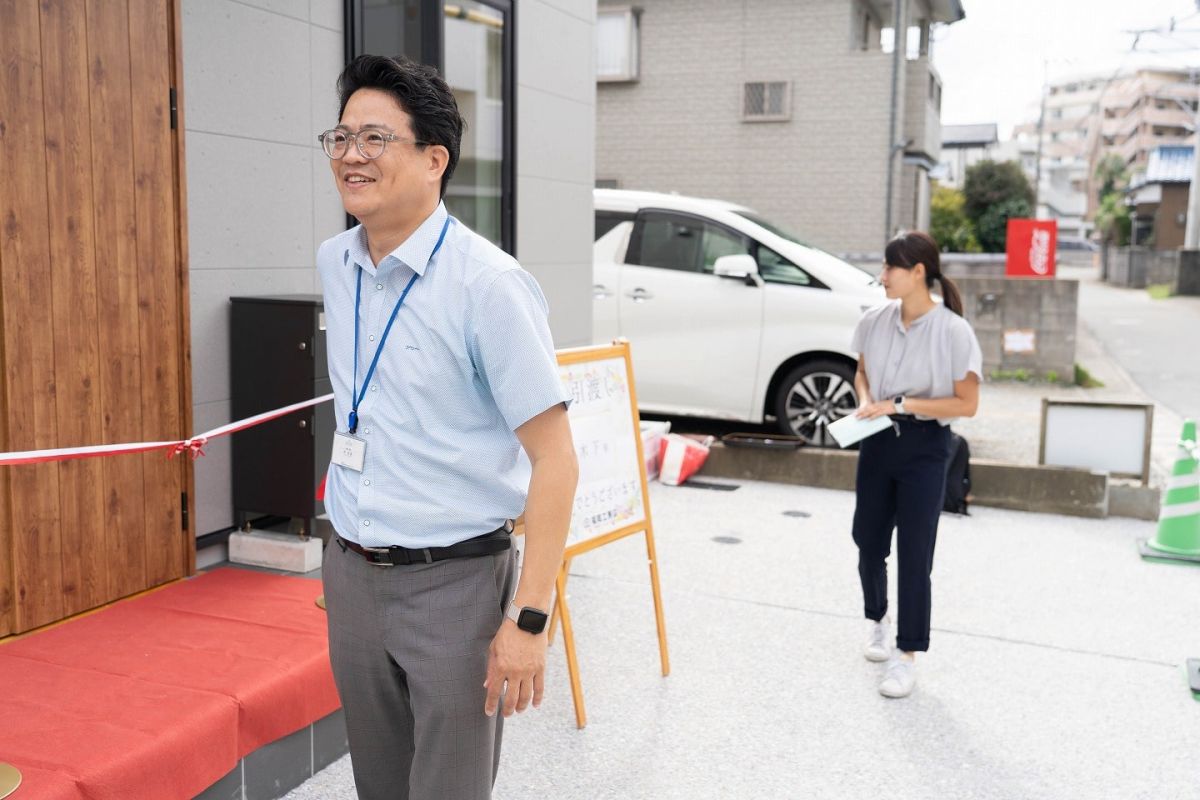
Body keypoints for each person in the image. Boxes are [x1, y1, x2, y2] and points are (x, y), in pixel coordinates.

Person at [315, 55, 578, 799]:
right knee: (379, 784)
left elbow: (556, 460)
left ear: (435, 159)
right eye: (340, 137)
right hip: (352, 574)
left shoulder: (489, 286)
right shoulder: (336, 262)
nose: (351, 155)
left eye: (374, 138)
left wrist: (529, 620)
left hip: (454, 585)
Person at [849, 230, 982, 699]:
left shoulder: (953, 331)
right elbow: (861, 371)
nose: (882, 276)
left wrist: (899, 404)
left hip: (926, 448)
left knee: (914, 553)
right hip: (877, 442)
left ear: (918, 272)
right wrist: (867, 401)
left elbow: (967, 404)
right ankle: (877, 620)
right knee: (867, 539)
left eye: (890, 268)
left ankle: (908, 655)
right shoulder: (874, 320)